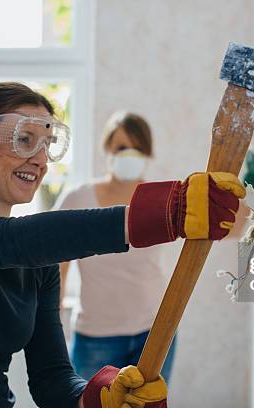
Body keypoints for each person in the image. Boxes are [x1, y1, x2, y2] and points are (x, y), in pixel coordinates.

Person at [0, 82, 245, 408]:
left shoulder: (38, 267)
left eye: (48, 145)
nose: (39, 159)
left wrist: (97, 396)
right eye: (24, 140)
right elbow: (2, 243)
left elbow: (52, 378)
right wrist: (164, 212)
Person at [57, 112, 176, 383]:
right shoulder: (77, 199)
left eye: (138, 148)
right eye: (122, 147)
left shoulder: (163, 199)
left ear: (148, 153)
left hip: (155, 331)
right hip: (96, 337)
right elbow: (57, 268)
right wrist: (53, 324)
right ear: (107, 149)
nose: (130, 155)